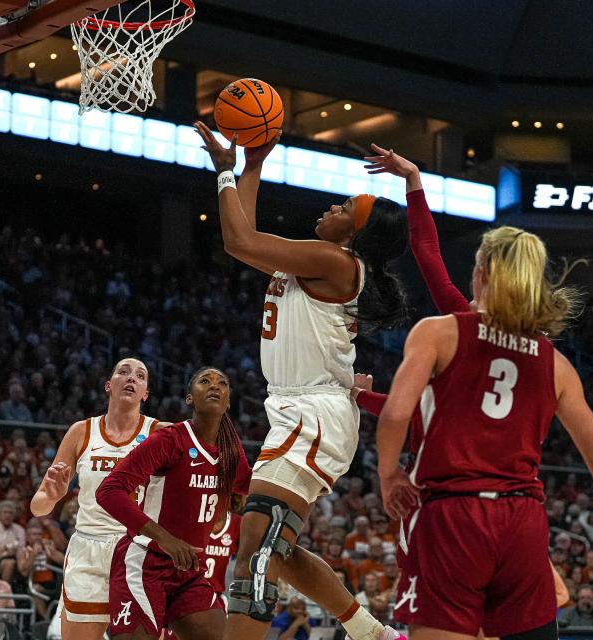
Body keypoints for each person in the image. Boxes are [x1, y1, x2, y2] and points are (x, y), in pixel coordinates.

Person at [373, 224, 593, 639]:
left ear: (481, 272)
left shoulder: (439, 331)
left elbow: (395, 415)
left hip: (453, 514)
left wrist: (389, 475)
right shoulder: (556, 363)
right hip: (522, 519)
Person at [194, 124, 407, 640]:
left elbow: (237, 239)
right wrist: (253, 164)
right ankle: (371, 634)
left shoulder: (334, 261)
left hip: (315, 412)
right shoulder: (322, 260)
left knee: (254, 540)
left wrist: (227, 171)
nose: (331, 209)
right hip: (296, 409)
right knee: (274, 547)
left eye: (342, 210)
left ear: (354, 235)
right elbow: (241, 237)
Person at [96, 367, 252, 640]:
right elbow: (108, 491)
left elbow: (251, 490)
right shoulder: (170, 440)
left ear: (228, 401)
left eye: (222, 382)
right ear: (190, 398)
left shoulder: (230, 449)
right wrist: (166, 539)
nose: (214, 386)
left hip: (189, 572)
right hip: (145, 563)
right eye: (205, 381)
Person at [29, 357, 164, 640]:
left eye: (140, 376)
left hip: (136, 550)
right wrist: (52, 497)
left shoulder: (160, 433)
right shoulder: (82, 431)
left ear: (145, 393)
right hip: (88, 547)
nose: (131, 378)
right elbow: (37, 505)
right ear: (108, 385)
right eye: (123, 372)